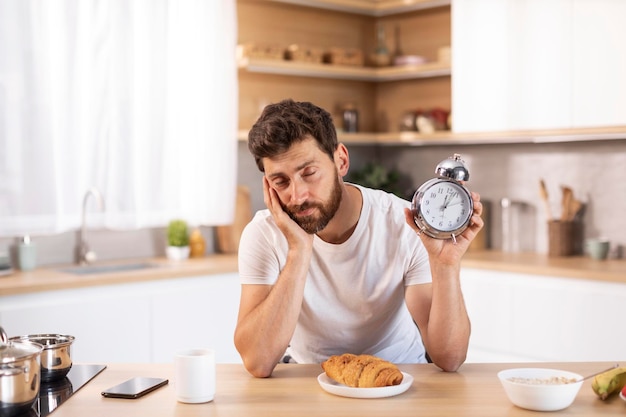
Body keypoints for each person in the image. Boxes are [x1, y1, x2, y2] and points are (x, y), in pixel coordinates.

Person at [234, 99, 483, 378]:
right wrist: (299, 250)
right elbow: (257, 361)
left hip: (398, 374)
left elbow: (449, 358)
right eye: (281, 182)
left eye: (309, 173)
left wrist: (446, 266)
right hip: (311, 378)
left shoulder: (401, 222)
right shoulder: (264, 234)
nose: (297, 195)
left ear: (340, 161)